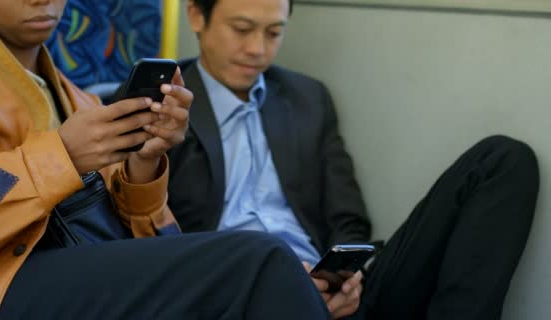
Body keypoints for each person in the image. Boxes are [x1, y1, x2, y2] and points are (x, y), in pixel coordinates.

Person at [0, 0, 333, 319]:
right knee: (261, 259)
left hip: (79, 263)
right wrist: (60, 157)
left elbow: (144, 235)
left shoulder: (79, 99)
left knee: (275, 273)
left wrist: (144, 162)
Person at [165, 0, 540, 319]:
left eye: (274, 33)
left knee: (504, 160)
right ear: (197, 15)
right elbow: (149, 239)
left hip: (331, 295)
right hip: (238, 296)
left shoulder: (307, 98)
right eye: (242, 28)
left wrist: (343, 278)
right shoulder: (164, 103)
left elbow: (347, 220)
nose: (258, 49)